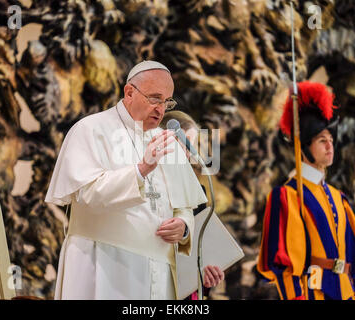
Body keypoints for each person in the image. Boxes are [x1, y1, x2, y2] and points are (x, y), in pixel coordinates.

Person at [45, 61, 207, 299]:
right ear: (129, 92)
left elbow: (184, 207)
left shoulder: (166, 141)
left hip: (160, 275)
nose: (161, 109)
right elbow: (87, 193)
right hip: (104, 265)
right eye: (154, 98)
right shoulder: (91, 129)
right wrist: (141, 169)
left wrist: (183, 228)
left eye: (167, 101)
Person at [257, 81, 355, 300]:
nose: (330, 147)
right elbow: (283, 264)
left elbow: (354, 258)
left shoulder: (339, 197)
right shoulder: (288, 195)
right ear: (304, 147)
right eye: (321, 141)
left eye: (330, 140)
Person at [160, 111, 225, 299]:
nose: (189, 152)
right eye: (185, 142)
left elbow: (196, 250)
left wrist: (204, 274)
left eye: (192, 145)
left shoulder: (196, 192)